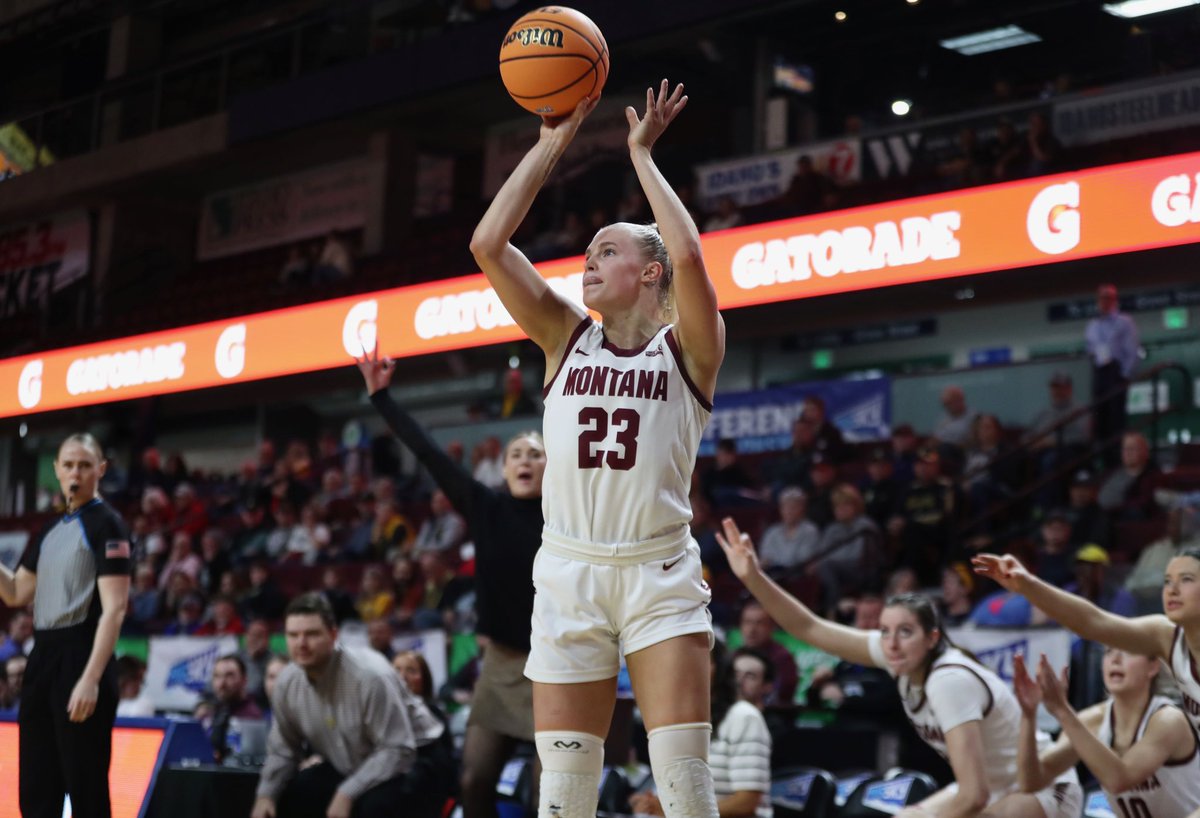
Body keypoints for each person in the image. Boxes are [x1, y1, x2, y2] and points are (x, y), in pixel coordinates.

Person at [469, 81, 726, 817]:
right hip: (571, 569)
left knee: (682, 784)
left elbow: (689, 254)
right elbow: (488, 244)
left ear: (648, 274)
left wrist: (641, 154)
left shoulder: (690, 351)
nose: (586, 260)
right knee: (565, 794)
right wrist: (552, 140)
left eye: (605, 251)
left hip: (659, 570)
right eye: (586, 250)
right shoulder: (563, 336)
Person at [718, 518, 1082, 818]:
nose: (891, 642)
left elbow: (973, 796)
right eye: (886, 631)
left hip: (1047, 791)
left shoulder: (948, 680)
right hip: (998, 789)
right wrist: (753, 578)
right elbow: (810, 628)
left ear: (931, 638)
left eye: (905, 632)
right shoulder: (899, 656)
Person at [357, 346, 546, 818]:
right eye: (516, 454)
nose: (525, 460)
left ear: (552, 466)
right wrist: (383, 399)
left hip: (559, 670)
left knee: (552, 796)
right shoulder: (485, 507)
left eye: (536, 455)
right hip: (500, 666)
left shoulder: (570, 517)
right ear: (503, 469)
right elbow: (428, 453)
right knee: (473, 780)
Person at [0, 432, 131, 818]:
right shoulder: (50, 531)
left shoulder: (109, 525)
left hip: (83, 656)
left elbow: (115, 609)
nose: (76, 472)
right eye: (69, 464)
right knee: (36, 787)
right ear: (56, 470)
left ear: (100, 470)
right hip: (42, 658)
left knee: (86, 786)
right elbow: (14, 593)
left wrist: (90, 679)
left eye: (85, 465)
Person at [972, 548, 1200, 739]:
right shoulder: (1165, 634)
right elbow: (1093, 622)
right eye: (1168, 581)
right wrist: (1028, 585)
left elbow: (1121, 777)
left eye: (1186, 579)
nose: (1172, 589)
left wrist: (1062, 713)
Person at [252, 593, 441, 818]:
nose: (301, 644)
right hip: (354, 762)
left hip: (416, 757)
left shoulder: (369, 676)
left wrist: (346, 793)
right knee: (292, 796)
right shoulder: (286, 682)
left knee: (374, 807)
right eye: (293, 635)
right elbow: (284, 750)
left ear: (333, 635)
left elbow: (398, 749)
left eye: (311, 634)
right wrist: (266, 795)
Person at [1013, 649, 1200, 818]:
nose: (1116, 659)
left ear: (1152, 667)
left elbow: (1119, 779)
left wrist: (1062, 710)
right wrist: (1028, 715)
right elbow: (1031, 782)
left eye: (1127, 650)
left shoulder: (1168, 720)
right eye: (1109, 652)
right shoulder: (1092, 721)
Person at [630, 641, 772, 818]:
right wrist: (646, 804)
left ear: (719, 669)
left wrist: (672, 811)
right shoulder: (673, 716)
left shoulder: (743, 717)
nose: (685, 668)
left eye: (696, 660)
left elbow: (747, 803)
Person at [1086, 284, 1139, 457]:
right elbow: (1090, 349)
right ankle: (1103, 457)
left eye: (1108, 298)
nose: (1104, 302)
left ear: (1115, 300)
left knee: (1116, 419)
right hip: (1099, 371)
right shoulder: (1092, 325)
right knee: (1100, 417)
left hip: (1116, 373)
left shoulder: (1124, 322)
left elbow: (1132, 351)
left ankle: (1117, 455)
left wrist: (1124, 376)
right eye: (1101, 298)